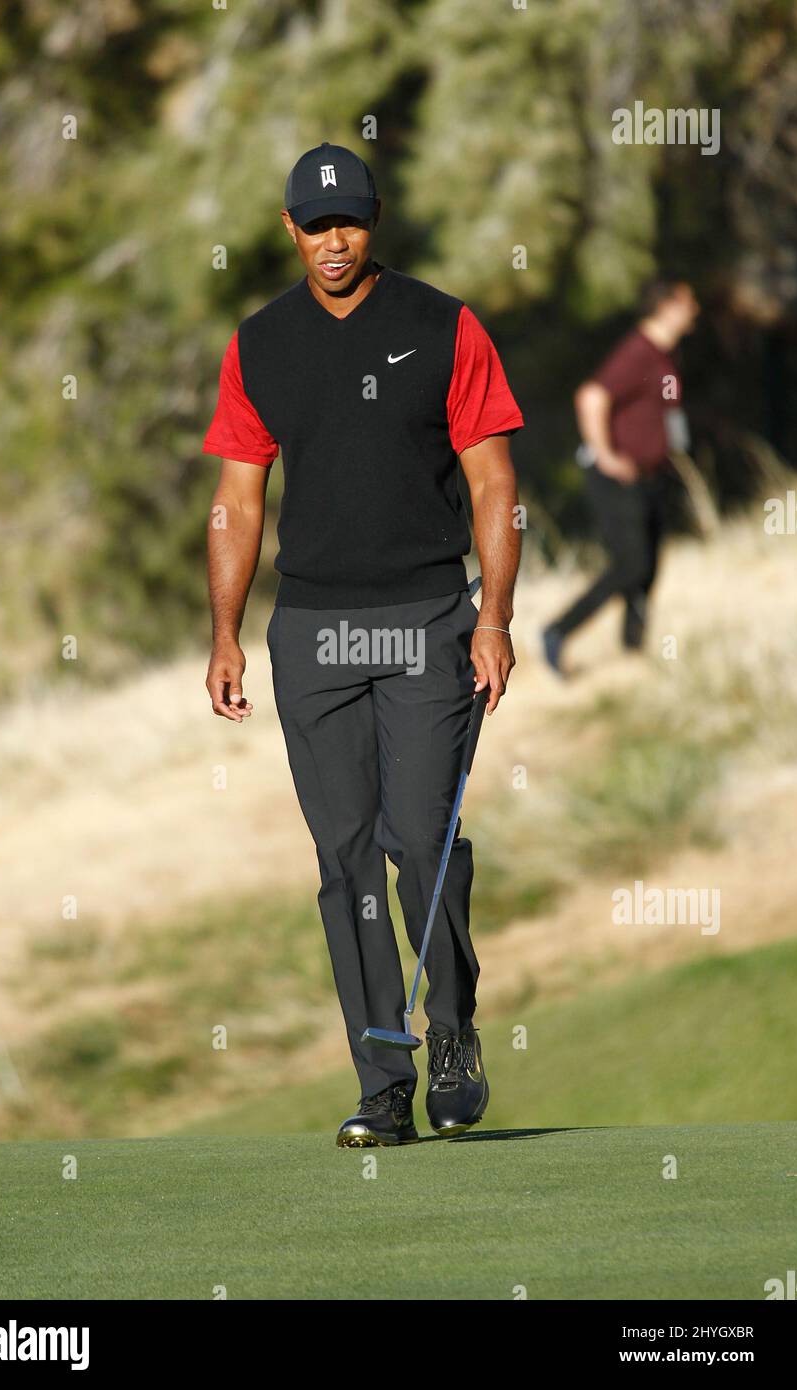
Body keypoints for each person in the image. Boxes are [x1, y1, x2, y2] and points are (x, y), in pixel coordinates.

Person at [202, 142, 524, 1147]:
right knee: (343, 861)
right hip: (312, 628)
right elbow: (236, 501)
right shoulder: (258, 344)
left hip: (429, 617)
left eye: (347, 221)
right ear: (288, 228)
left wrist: (496, 617)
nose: (331, 240)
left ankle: (454, 1027)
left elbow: (493, 487)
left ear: (371, 221)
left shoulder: (442, 325)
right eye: (313, 224)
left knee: (416, 840)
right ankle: (382, 1083)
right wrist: (223, 631)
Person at [543, 280, 700, 672]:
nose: (695, 308)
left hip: (650, 476)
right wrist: (607, 456)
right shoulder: (638, 351)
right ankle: (557, 631)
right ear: (666, 307)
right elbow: (591, 397)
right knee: (630, 564)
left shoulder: (666, 352)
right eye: (687, 302)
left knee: (648, 567)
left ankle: (633, 653)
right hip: (615, 477)